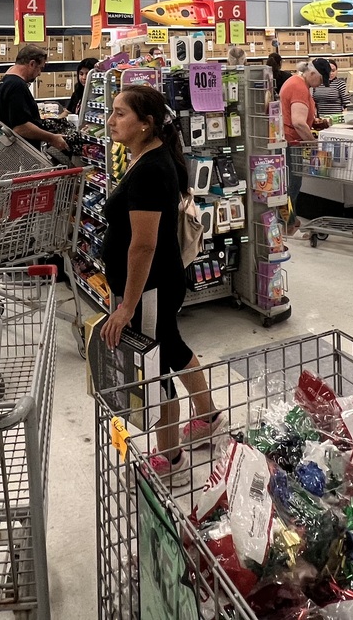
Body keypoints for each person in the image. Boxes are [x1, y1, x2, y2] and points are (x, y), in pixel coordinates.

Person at [99, 84, 221, 476]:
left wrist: (127, 306)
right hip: (157, 283)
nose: (111, 119)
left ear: (146, 124)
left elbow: (143, 246)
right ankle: (209, 418)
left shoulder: (151, 170)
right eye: (112, 110)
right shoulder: (144, 157)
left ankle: (169, 457)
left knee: (155, 366)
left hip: (148, 287)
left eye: (121, 113)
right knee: (171, 347)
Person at [0, 43, 68, 152]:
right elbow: (21, 128)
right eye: (40, 68)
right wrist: (51, 138)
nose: (39, 74)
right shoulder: (16, 86)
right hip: (18, 155)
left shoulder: (4, 82)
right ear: (32, 64)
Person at [281, 59, 329, 232]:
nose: (321, 84)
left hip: (288, 141)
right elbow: (298, 123)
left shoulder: (295, 82)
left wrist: (315, 123)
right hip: (291, 142)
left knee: (289, 184)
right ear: (313, 73)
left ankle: (288, 220)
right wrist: (314, 143)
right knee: (292, 185)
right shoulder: (299, 88)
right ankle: (287, 223)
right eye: (322, 79)